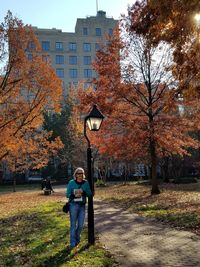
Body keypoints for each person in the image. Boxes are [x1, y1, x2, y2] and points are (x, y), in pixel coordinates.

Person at [66, 167, 92, 248]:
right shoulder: (71, 182)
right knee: (73, 224)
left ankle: (77, 237)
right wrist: (73, 194)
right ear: (75, 174)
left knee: (81, 225)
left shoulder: (86, 183)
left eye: (81, 173)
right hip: (73, 205)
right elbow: (67, 194)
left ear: (83, 174)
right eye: (78, 173)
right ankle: (73, 242)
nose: (79, 175)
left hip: (82, 206)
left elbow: (90, 194)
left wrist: (84, 192)